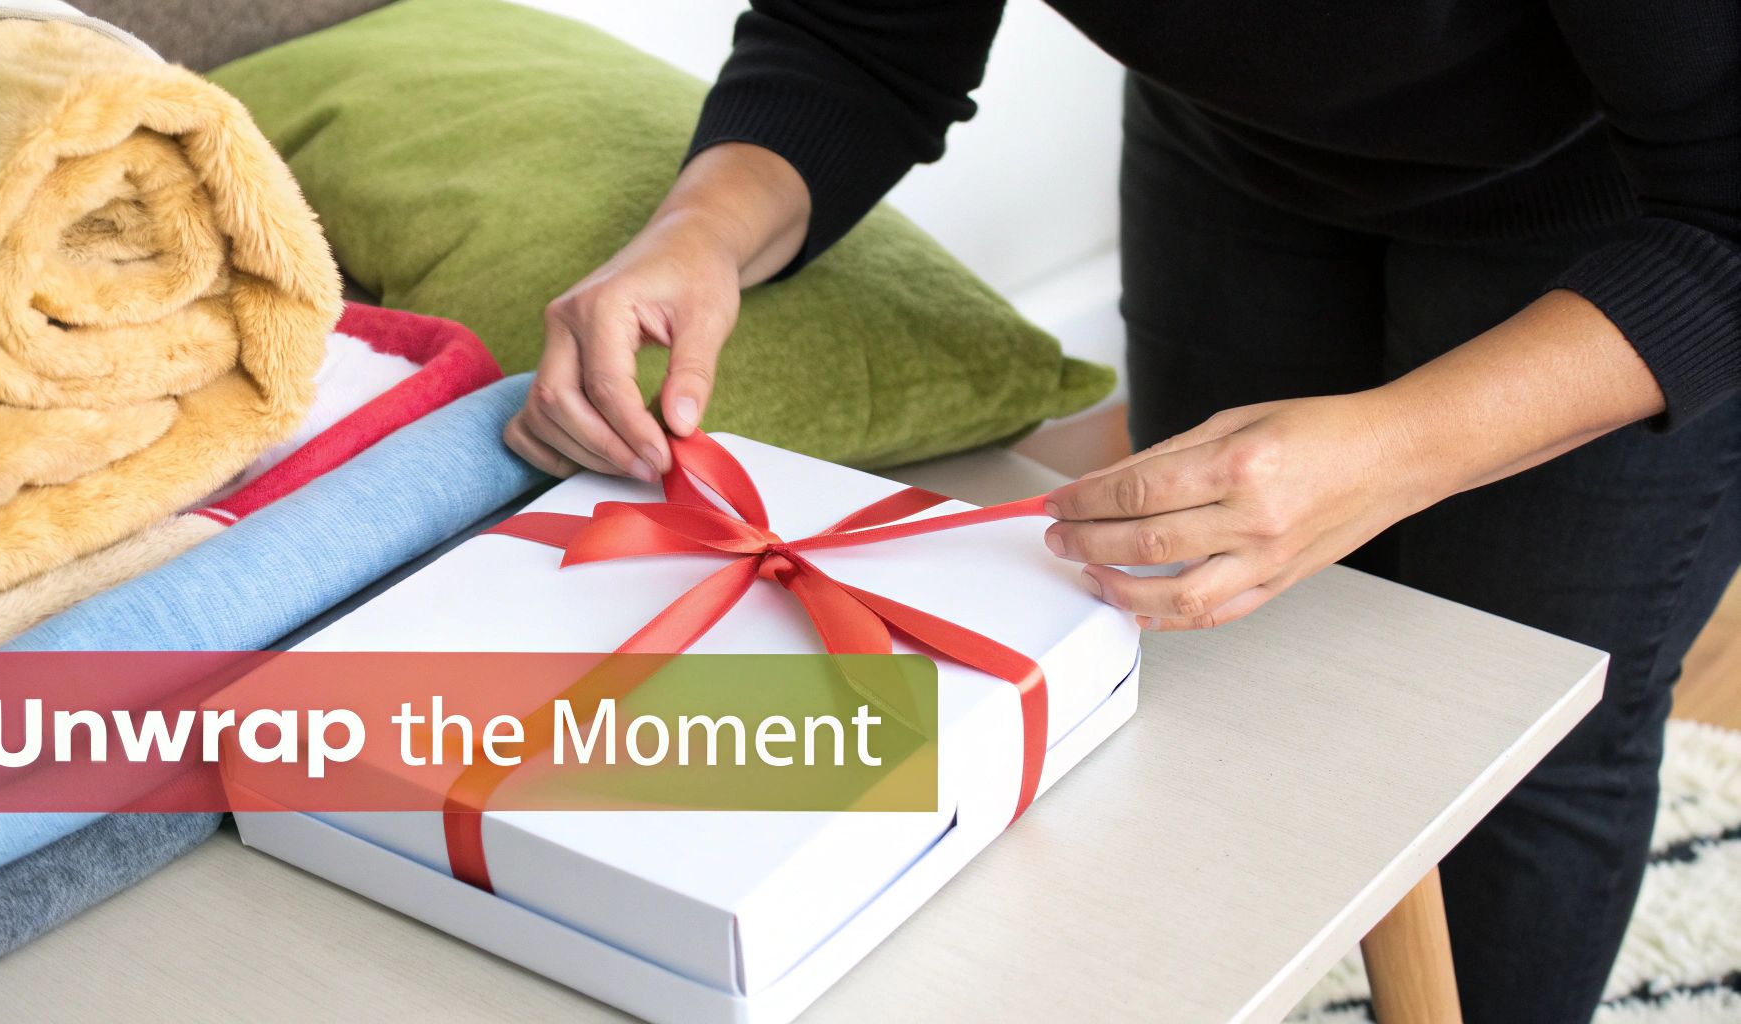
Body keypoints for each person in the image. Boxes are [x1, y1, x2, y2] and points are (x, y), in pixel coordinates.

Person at [503, 3, 1740, 1019]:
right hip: (1236, 157)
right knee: (1220, 653)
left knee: (1521, 740)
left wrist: (1400, 447)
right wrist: (699, 232)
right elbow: (858, 35)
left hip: (1631, 212)